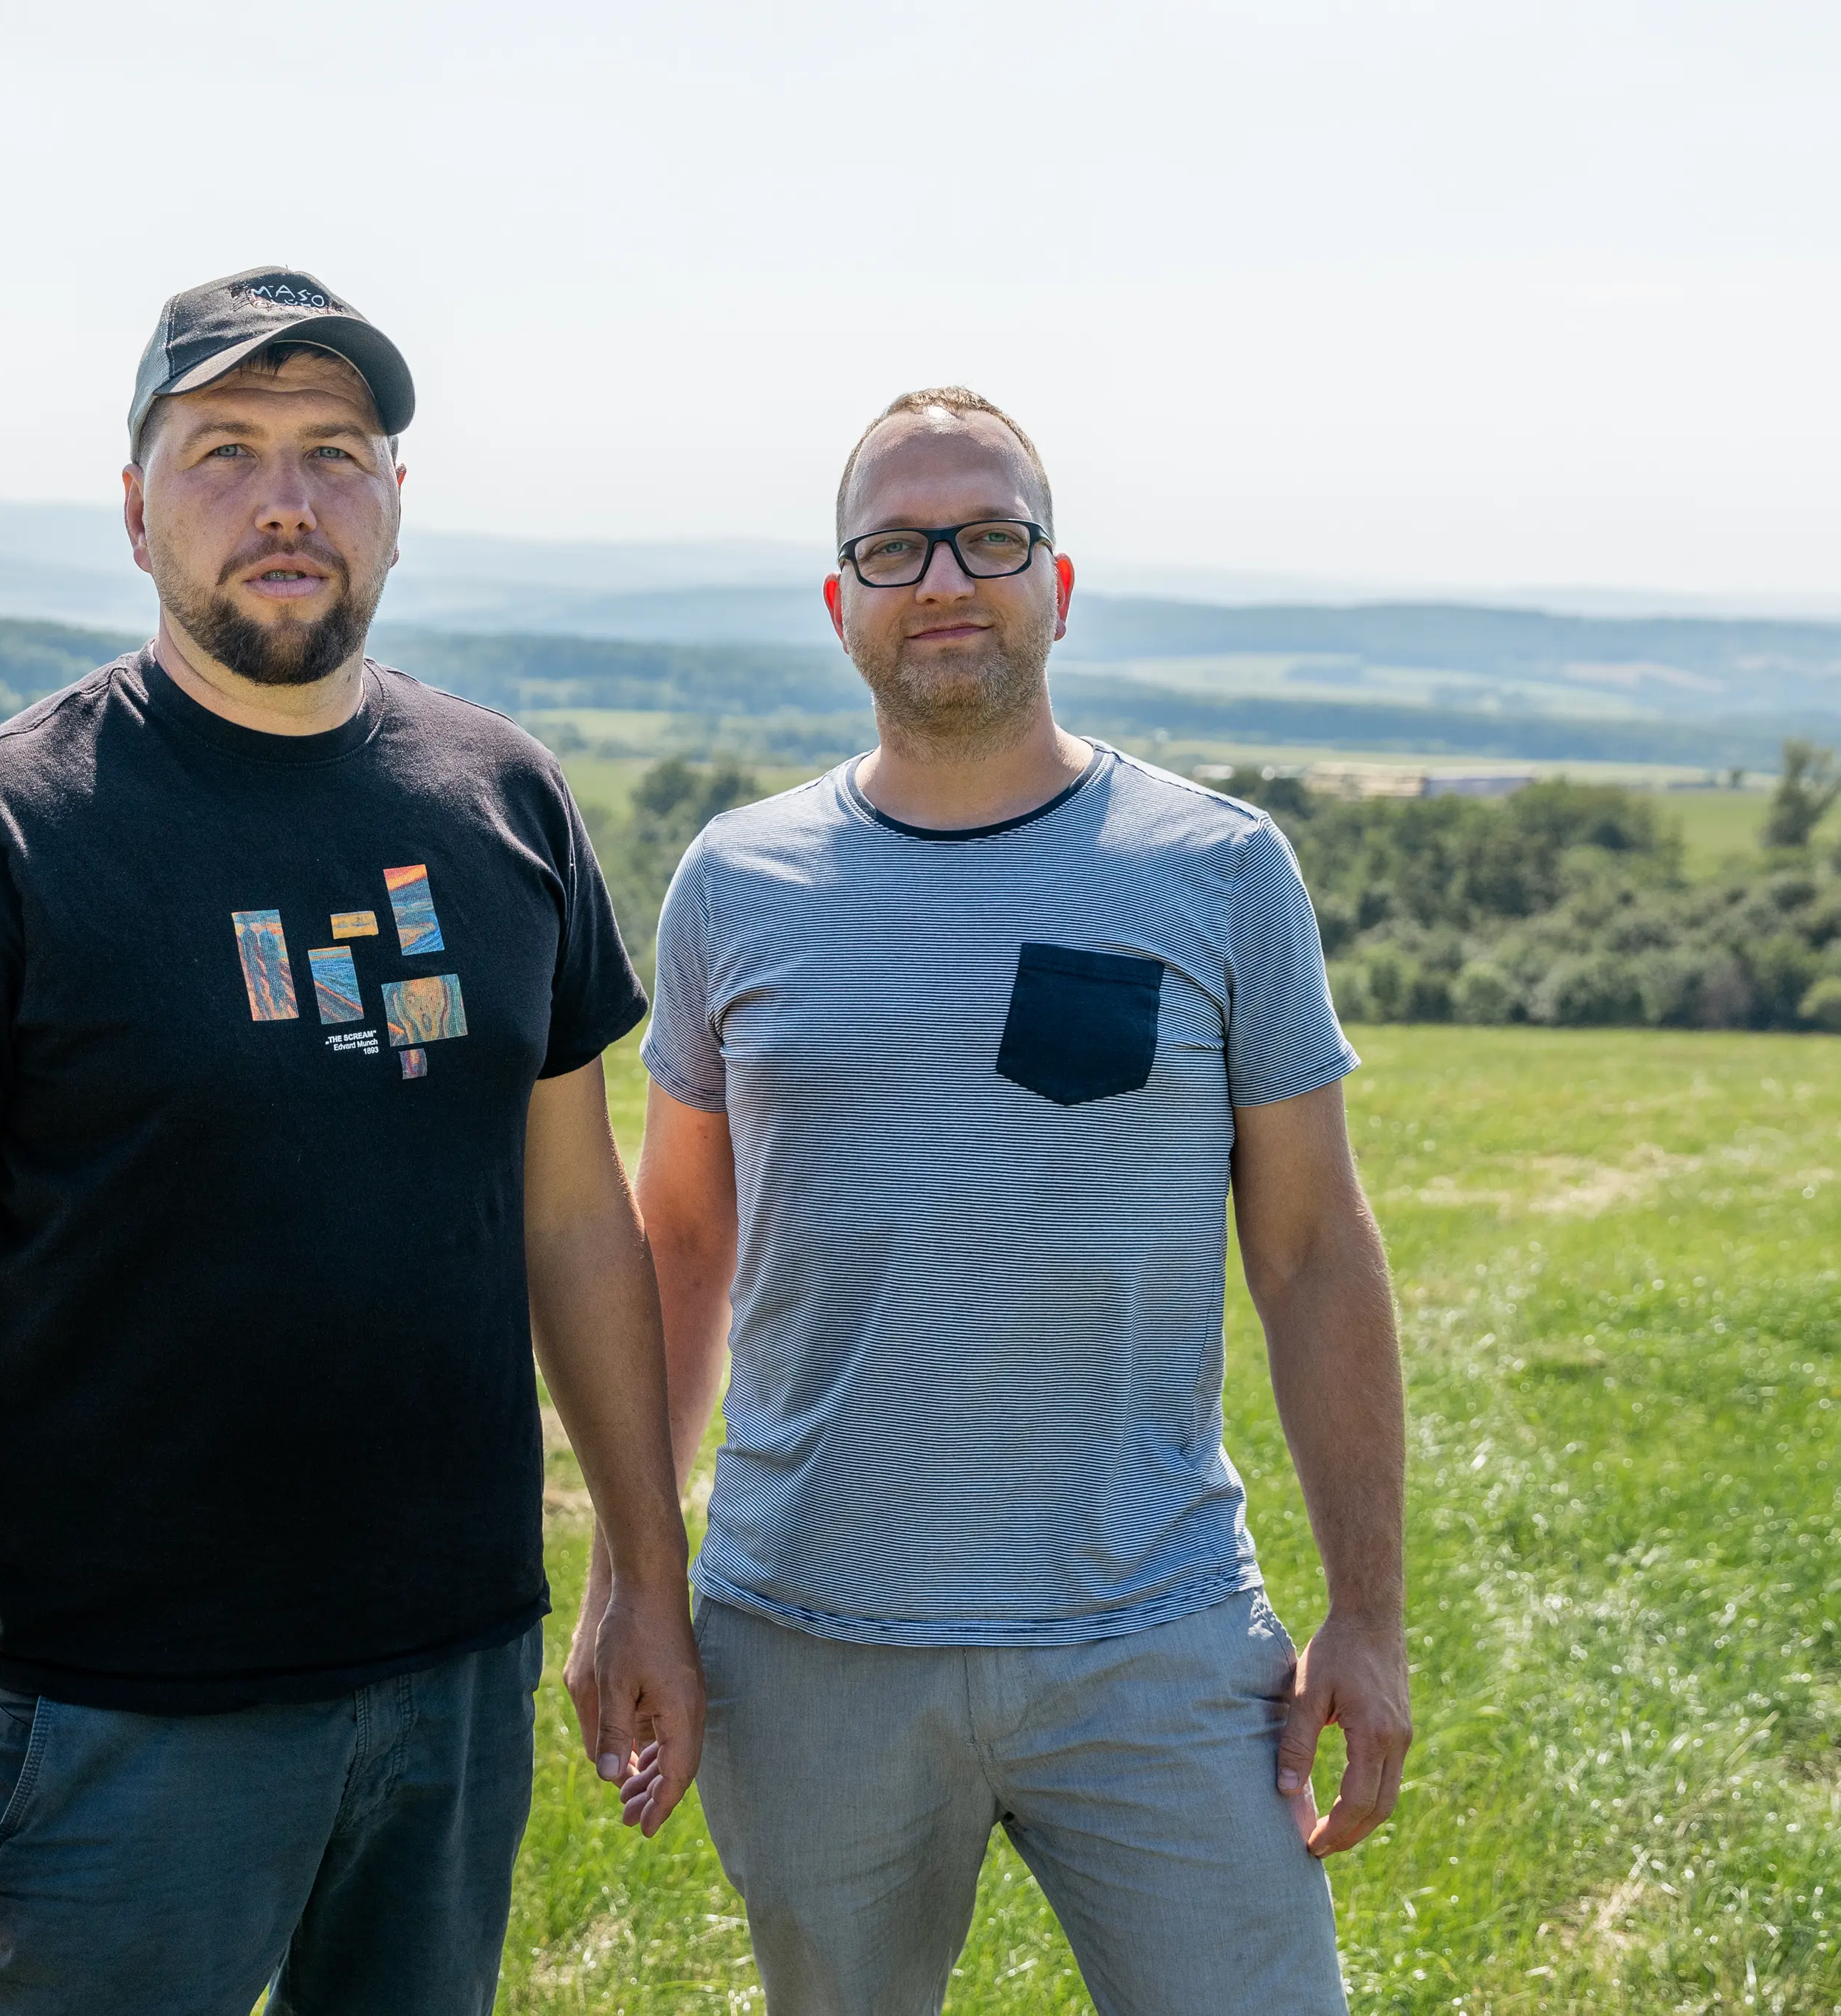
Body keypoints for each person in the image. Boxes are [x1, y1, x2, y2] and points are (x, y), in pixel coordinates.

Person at [0, 267, 702, 2016]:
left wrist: (643, 1581)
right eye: (222, 451)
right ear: (135, 510)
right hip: (117, 1715)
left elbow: (575, 1226)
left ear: (393, 504)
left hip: (453, 1683)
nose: (285, 500)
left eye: (332, 453)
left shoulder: (504, 802)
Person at [574, 386, 1410, 2014]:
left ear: (1058, 585)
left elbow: (1312, 1253)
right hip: (804, 1643)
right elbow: (676, 1248)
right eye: (894, 548)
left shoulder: (1216, 868)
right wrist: (632, 1582)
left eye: (989, 538)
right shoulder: (734, 883)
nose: (944, 577)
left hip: (1155, 1634)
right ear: (839, 603)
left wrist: (1367, 1616)